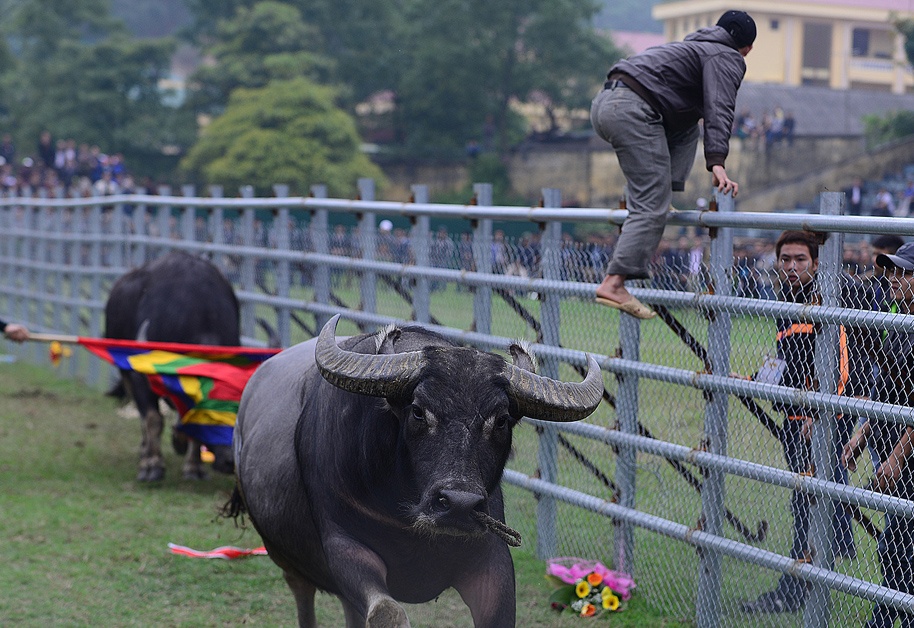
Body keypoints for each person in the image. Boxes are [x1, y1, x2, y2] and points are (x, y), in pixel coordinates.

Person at [591, 10, 755, 319]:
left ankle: (661, 200)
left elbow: (698, 113)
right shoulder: (727, 56)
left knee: (688, 123)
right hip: (634, 109)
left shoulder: (692, 46)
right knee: (650, 204)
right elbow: (719, 108)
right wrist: (717, 162)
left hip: (605, 103)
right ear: (746, 48)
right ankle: (614, 283)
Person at [741, 231, 870, 614]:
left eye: (800, 259)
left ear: (815, 262)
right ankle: (829, 554)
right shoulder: (787, 301)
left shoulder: (828, 296)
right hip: (796, 419)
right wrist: (751, 381)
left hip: (824, 420)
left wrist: (821, 412)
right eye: (786, 260)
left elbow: (843, 365)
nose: (792, 266)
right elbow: (787, 363)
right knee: (809, 499)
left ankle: (796, 588)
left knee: (808, 503)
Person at [842, 241, 914, 628]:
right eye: (893, 271)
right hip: (888, 443)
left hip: (905, 450)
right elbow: (888, 390)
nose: (895, 279)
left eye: (905, 272)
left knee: (901, 540)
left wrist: (898, 455)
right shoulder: (894, 317)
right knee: (895, 543)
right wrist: (862, 434)